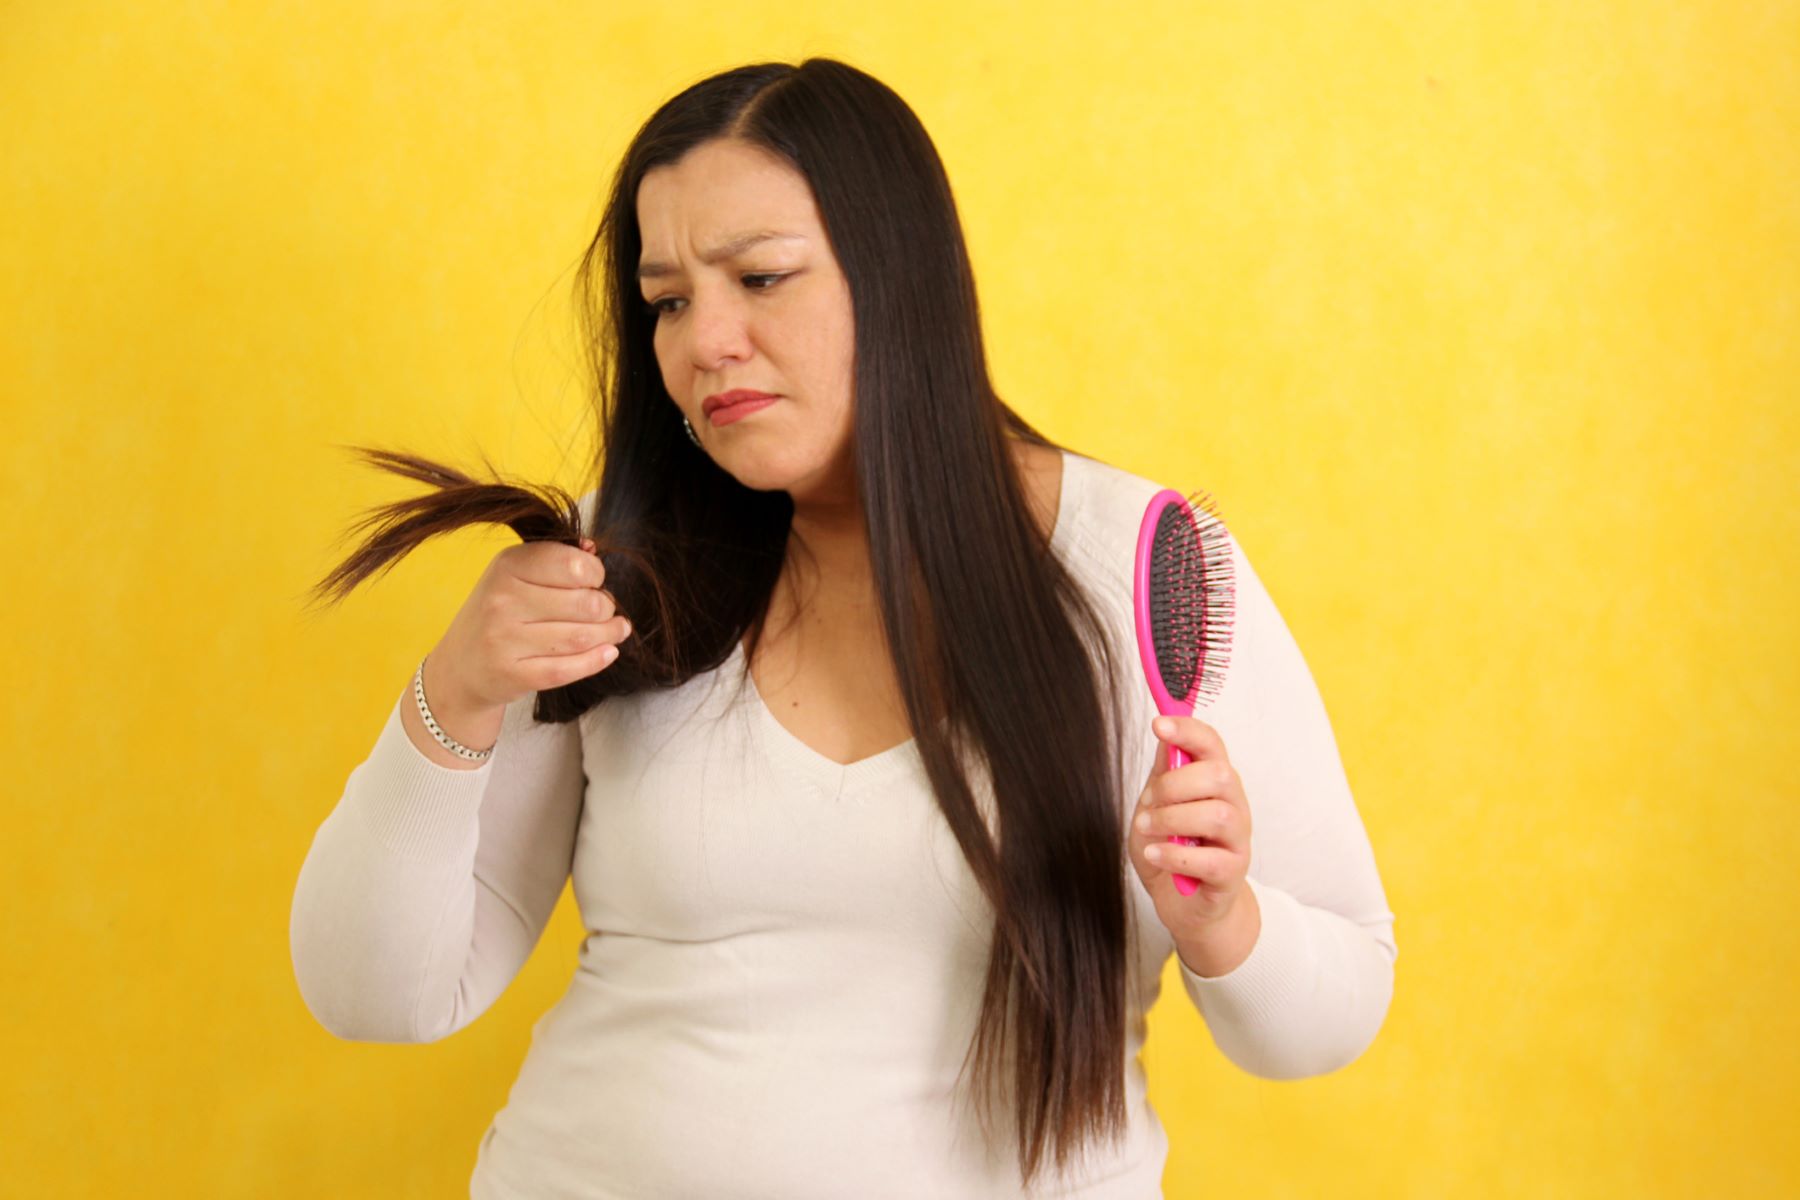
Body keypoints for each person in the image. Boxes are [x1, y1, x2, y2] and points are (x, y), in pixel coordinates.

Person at [289, 57, 1396, 1199]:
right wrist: (453, 699)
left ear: (901, 280)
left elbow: (1332, 1011)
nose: (702, 341)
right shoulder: (612, 567)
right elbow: (373, 995)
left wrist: (1226, 923)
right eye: (667, 300)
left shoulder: (1141, 564)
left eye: (760, 278)